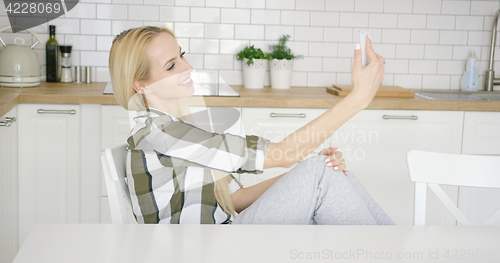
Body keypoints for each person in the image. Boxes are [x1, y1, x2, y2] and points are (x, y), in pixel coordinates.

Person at [109, 26, 394, 225]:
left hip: (218, 240)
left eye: (181, 55)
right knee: (321, 174)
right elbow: (283, 154)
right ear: (141, 85)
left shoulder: (176, 128)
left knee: (324, 173)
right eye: (171, 66)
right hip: (201, 250)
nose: (187, 67)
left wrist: (307, 174)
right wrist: (358, 98)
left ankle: (390, 250)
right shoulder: (161, 134)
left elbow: (236, 198)